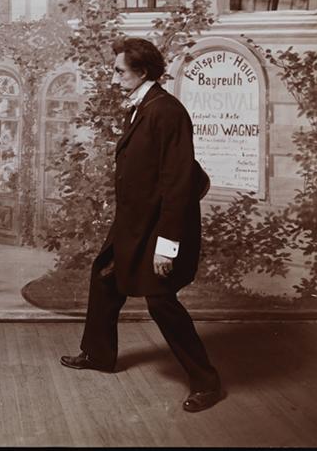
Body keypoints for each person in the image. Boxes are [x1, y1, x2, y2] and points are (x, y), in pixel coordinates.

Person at [60, 37, 223, 413]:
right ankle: (99, 355)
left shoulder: (167, 111)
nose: (113, 78)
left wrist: (167, 246)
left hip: (160, 225)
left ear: (143, 72)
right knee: (105, 276)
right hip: (134, 220)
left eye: (120, 72)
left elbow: (179, 183)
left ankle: (206, 382)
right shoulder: (142, 106)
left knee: (161, 300)